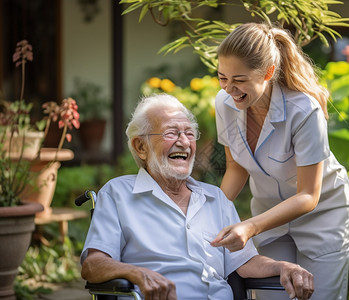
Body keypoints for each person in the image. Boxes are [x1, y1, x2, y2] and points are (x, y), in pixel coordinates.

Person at [80, 94, 314, 300]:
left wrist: (282, 267)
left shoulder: (216, 198)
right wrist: (135, 273)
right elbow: (93, 265)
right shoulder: (118, 193)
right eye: (171, 133)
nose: (184, 141)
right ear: (141, 146)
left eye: (189, 133)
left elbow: (244, 263)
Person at [210, 22, 349, 300]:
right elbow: (236, 167)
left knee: (317, 295)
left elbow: (308, 195)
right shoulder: (224, 103)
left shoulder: (304, 110)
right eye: (222, 77)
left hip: (321, 215)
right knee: (271, 295)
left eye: (239, 79)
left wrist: (250, 226)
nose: (229, 88)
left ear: (268, 72)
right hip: (269, 215)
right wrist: (211, 211)